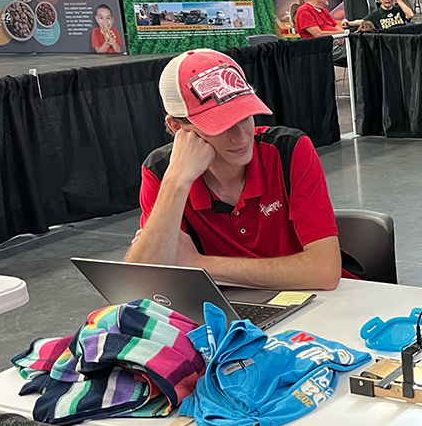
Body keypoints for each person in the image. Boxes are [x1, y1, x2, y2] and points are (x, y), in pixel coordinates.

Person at [125, 49, 344, 290]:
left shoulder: (288, 151)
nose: (240, 138)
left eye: (245, 117)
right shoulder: (162, 171)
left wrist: (200, 264)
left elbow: (324, 271)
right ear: (178, 127)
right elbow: (140, 288)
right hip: (221, 311)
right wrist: (176, 183)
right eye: (220, 126)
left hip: (313, 304)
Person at [345, 0, 413, 32]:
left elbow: (410, 15)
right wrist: (349, 23)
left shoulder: (399, 8)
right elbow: (361, 21)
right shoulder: (375, 14)